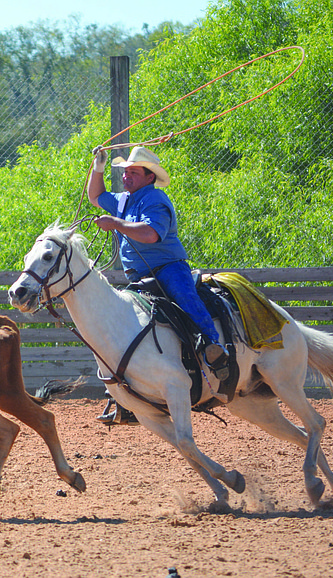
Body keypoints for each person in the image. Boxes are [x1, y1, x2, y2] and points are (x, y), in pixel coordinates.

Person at [88, 145, 229, 425]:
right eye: (125, 172)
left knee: (186, 298)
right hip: (138, 278)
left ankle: (214, 347)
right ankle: (126, 397)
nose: (126, 177)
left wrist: (115, 223)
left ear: (149, 177)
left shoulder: (156, 200)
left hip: (168, 269)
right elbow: (95, 196)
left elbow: (151, 234)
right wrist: (98, 168)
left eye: (133, 172)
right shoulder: (123, 200)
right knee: (124, 323)